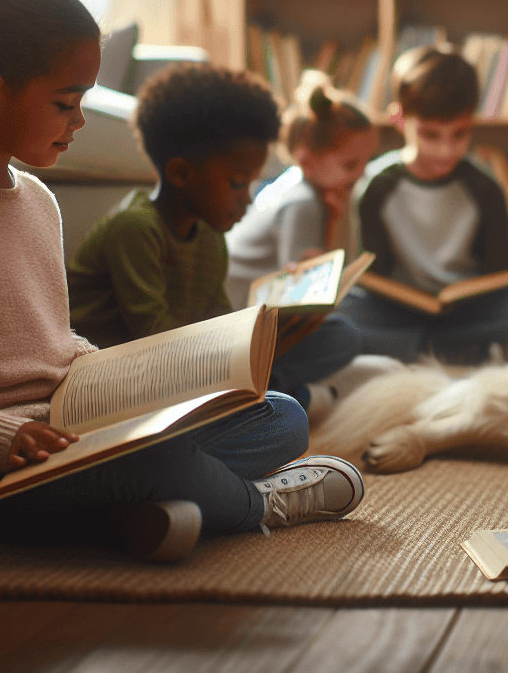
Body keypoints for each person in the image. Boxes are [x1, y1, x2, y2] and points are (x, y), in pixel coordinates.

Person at [0, 0, 362, 564]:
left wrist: (131, 380)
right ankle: (258, 505)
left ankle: (138, 511)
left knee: (280, 417)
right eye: (65, 102)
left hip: (70, 433)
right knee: (160, 460)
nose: (80, 120)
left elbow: (48, 343)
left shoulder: (37, 201)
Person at [68, 63, 369, 423]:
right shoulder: (134, 229)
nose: (248, 200)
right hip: (118, 385)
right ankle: (280, 396)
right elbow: (155, 344)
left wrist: (274, 335)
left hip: (183, 372)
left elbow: (220, 329)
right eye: (237, 184)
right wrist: (239, 356)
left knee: (300, 397)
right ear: (180, 173)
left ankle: (272, 397)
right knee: (280, 418)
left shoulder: (211, 238)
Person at [334, 45, 508, 363]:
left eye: (459, 134)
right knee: (344, 308)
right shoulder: (376, 185)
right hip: (399, 310)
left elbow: (503, 271)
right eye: (430, 135)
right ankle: (450, 349)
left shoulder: (484, 186)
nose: (445, 150)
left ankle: (420, 348)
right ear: (399, 119)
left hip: (467, 309)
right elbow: (373, 272)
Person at [225, 70, 378, 308]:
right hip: (237, 309)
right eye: (350, 165)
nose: (361, 174)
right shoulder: (301, 202)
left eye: (367, 161)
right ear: (307, 161)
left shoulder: (302, 188)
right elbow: (299, 288)